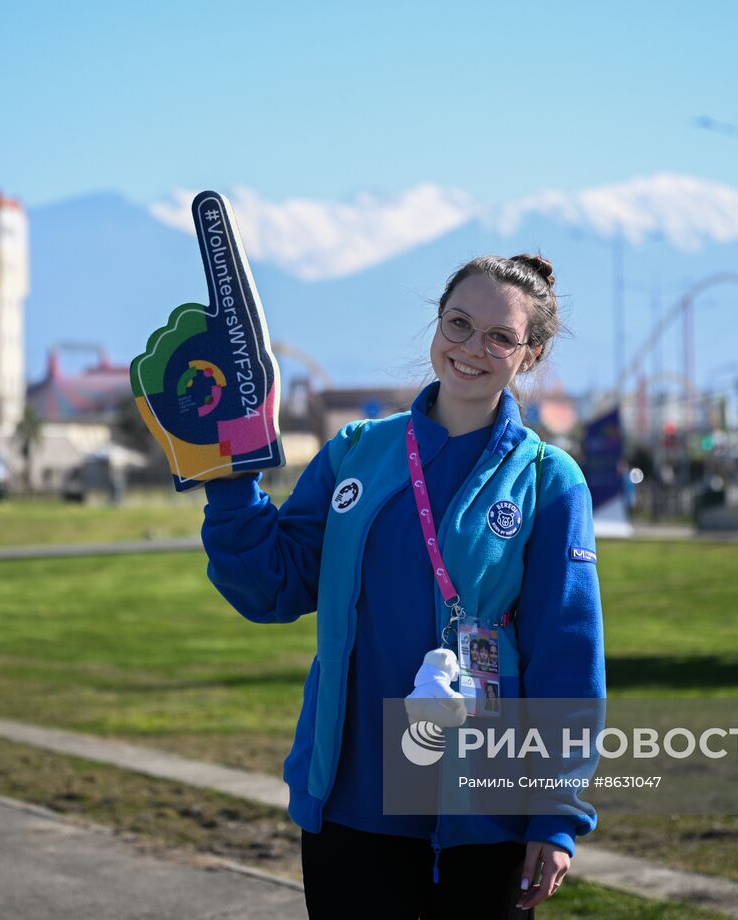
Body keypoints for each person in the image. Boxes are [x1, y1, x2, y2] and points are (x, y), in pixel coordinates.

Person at [201, 254, 605, 918]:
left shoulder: (547, 480)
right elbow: (270, 588)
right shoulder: (356, 452)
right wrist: (228, 477)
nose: (471, 348)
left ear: (529, 355)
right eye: (458, 323)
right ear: (437, 325)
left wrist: (554, 816)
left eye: (499, 337)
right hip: (353, 801)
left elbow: (567, 657)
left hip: (485, 812)